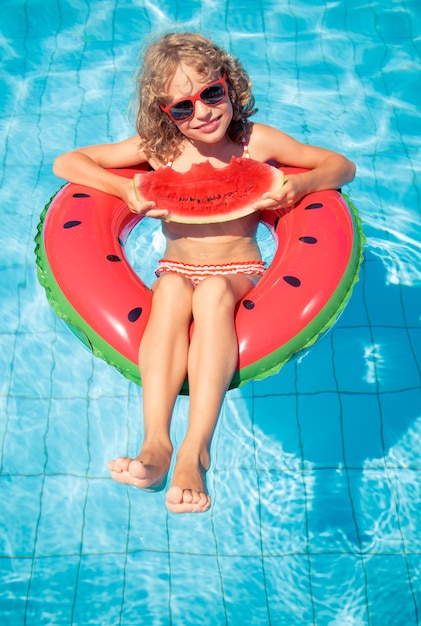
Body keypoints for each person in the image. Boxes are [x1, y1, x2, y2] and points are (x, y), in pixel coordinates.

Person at [53, 32, 356, 514]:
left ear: (229, 86)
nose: (203, 112)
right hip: (176, 266)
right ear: (164, 112)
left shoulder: (255, 142)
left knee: (213, 291)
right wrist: (123, 189)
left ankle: (196, 447)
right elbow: (67, 162)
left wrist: (302, 183)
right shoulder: (161, 150)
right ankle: (156, 442)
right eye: (183, 107)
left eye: (212, 94)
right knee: (171, 287)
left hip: (239, 270)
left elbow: (340, 165)